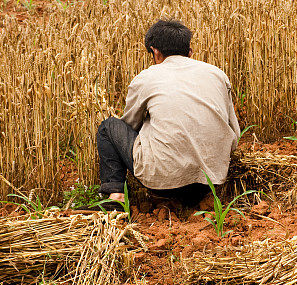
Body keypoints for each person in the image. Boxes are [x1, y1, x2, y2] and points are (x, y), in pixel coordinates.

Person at [95, 19, 240, 208]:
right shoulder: (217, 74)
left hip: (163, 185)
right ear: (189, 52)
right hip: (211, 182)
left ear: (155, 51)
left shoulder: (146, 77)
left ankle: (115, 197)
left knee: (109, 127)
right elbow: (234, 134)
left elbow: (130, 124)